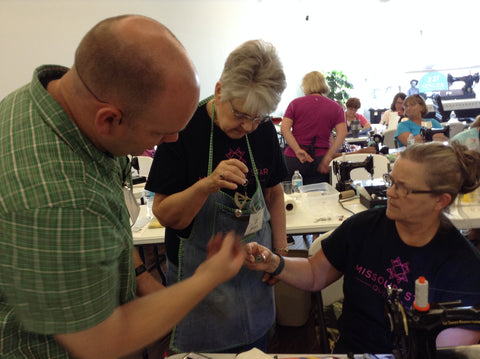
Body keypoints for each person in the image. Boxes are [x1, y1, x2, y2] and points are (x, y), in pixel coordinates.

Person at [0, 15, 247, 359]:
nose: (172, 139)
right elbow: (102, 341)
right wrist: (207, 277)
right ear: (109, 119)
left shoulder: (56, 102)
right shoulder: (59, 200)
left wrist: (143, 278)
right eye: (160, 133)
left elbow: (109, 217)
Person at [245, 141, 480, 354]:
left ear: (441, 200)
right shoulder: (365, 227)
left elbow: (450, 351)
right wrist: (275, 263)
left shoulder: (463, 267)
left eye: (403, 188)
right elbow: (315, 273)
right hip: (352, 350)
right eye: (391, 181)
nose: (389, 192)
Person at [145, 39, 288, 353]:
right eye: (240, 114)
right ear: (220, 89)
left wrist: (280, 253)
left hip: (253, 279)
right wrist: (206, 185)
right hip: (198, 285)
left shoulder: (260, 130)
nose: (248, 126)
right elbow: (164, 213)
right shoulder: (182, 129)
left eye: (258, 117)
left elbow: (274, 194)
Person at [281, 71, 347, 185]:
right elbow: (342, 134)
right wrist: (328, 157)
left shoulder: (294, 104)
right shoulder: (336, 107)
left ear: (305, 86)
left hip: (294, 159)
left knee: (294, 197)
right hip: (321, 159)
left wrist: (297, 150)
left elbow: (284, 129)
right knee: (321, 197)